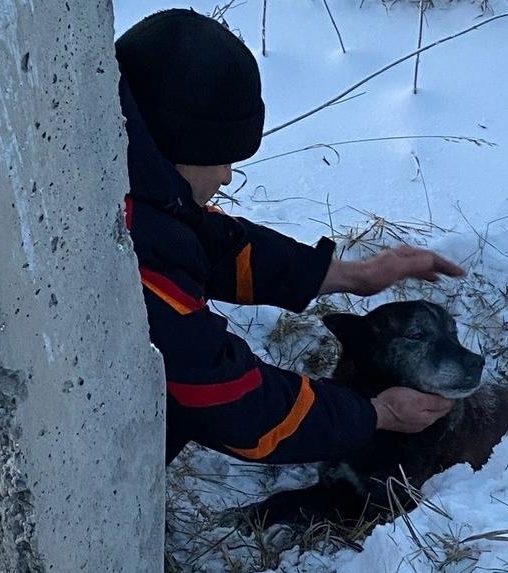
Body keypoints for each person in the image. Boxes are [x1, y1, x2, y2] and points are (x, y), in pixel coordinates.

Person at [114, 9, 464, 464]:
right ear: (173, 146)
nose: (226, 177)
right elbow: (236, 406)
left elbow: (207, 242)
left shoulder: (131, 179)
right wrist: (374, 414)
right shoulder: (132, 251)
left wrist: (351, 276)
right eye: (219, 158)